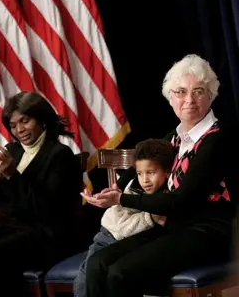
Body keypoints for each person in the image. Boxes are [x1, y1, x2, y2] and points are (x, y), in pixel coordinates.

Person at [82, 54, 235, 296]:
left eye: (198, 91)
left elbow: (180, 201)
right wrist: (111, 191)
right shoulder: (173, 138)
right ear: (170, 98)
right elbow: (135, 167)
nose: (189, 100)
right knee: (97, 264)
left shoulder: (217, 139)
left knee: (120, 273)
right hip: (173, 227)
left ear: (211, 95)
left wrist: (121, 199)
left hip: (209, 232)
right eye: (181, 92)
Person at [0, 91, 83, 297]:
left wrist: (13, 175)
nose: (19, 130)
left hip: (49, 235)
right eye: (13, 125)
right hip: (13, 230)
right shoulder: (12, 151)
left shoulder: (60, 155)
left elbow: (46, 209)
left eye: (25, 121)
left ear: (41, 119)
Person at [73, 138, 175, 297]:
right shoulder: (133, 190)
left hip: (125, 241)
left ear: (167, 172)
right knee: (85, 279)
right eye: (140, 174)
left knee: (107, 276)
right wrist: (150, 218)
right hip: (108, 235)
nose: (145, 180)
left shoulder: (165, 197)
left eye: (151, 173)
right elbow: (120, 222)